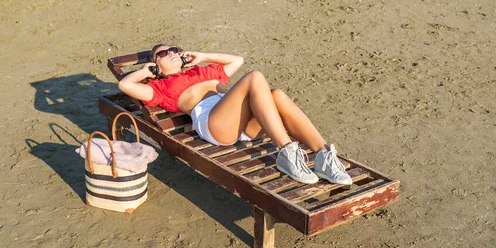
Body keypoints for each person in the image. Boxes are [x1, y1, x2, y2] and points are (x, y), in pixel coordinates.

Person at [118, 44, 351, 185]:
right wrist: (144, 71)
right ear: (156, 65)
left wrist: (203, 55)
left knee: (277, 94)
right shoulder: (161, 88)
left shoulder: (203, 70)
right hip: (215, 125)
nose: (171, 54)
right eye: (162, 54)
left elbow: (237, 60)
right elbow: (126, 86)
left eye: (174, 50)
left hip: (242, 122)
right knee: (255, 77)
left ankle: (324, 157)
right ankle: (287, 153)